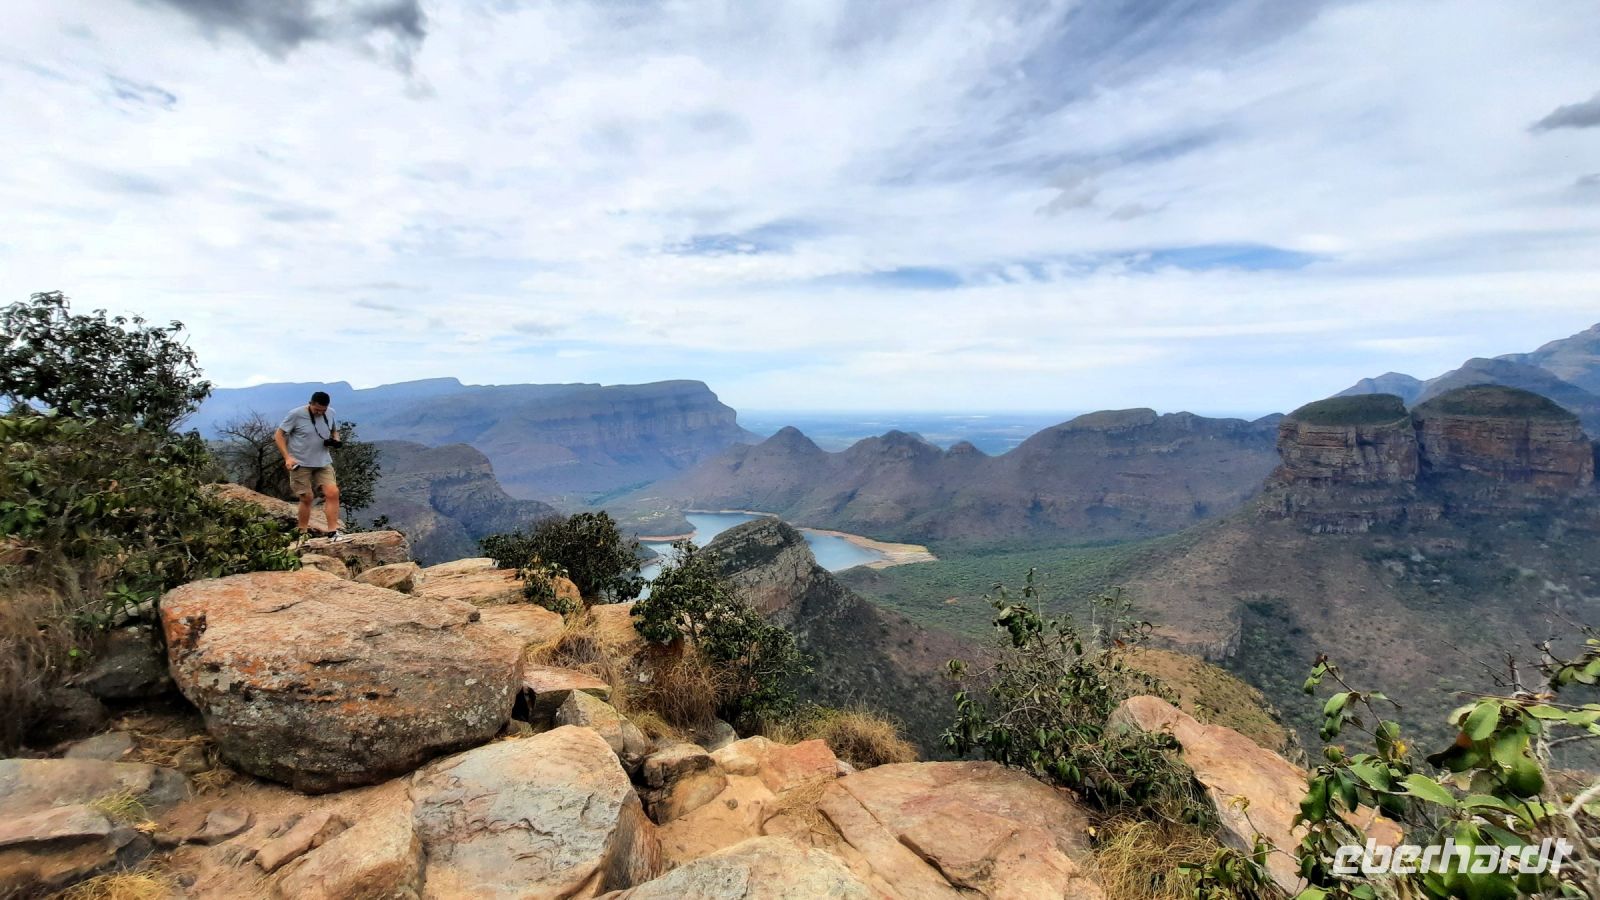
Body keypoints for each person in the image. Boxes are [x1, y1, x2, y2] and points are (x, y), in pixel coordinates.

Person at [274, 390, 346, 541]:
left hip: (323, 461)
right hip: (300, 463)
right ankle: (302, 532)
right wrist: (287, 457)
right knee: (307, 498)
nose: (320, 413)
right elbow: (279, 435)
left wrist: (336, 439)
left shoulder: (331, 413)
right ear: (310, 404)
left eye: (323, 410)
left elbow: (334, 430)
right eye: (316, 410)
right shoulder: (296, 414)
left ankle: (333, 532)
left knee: (333, 493)